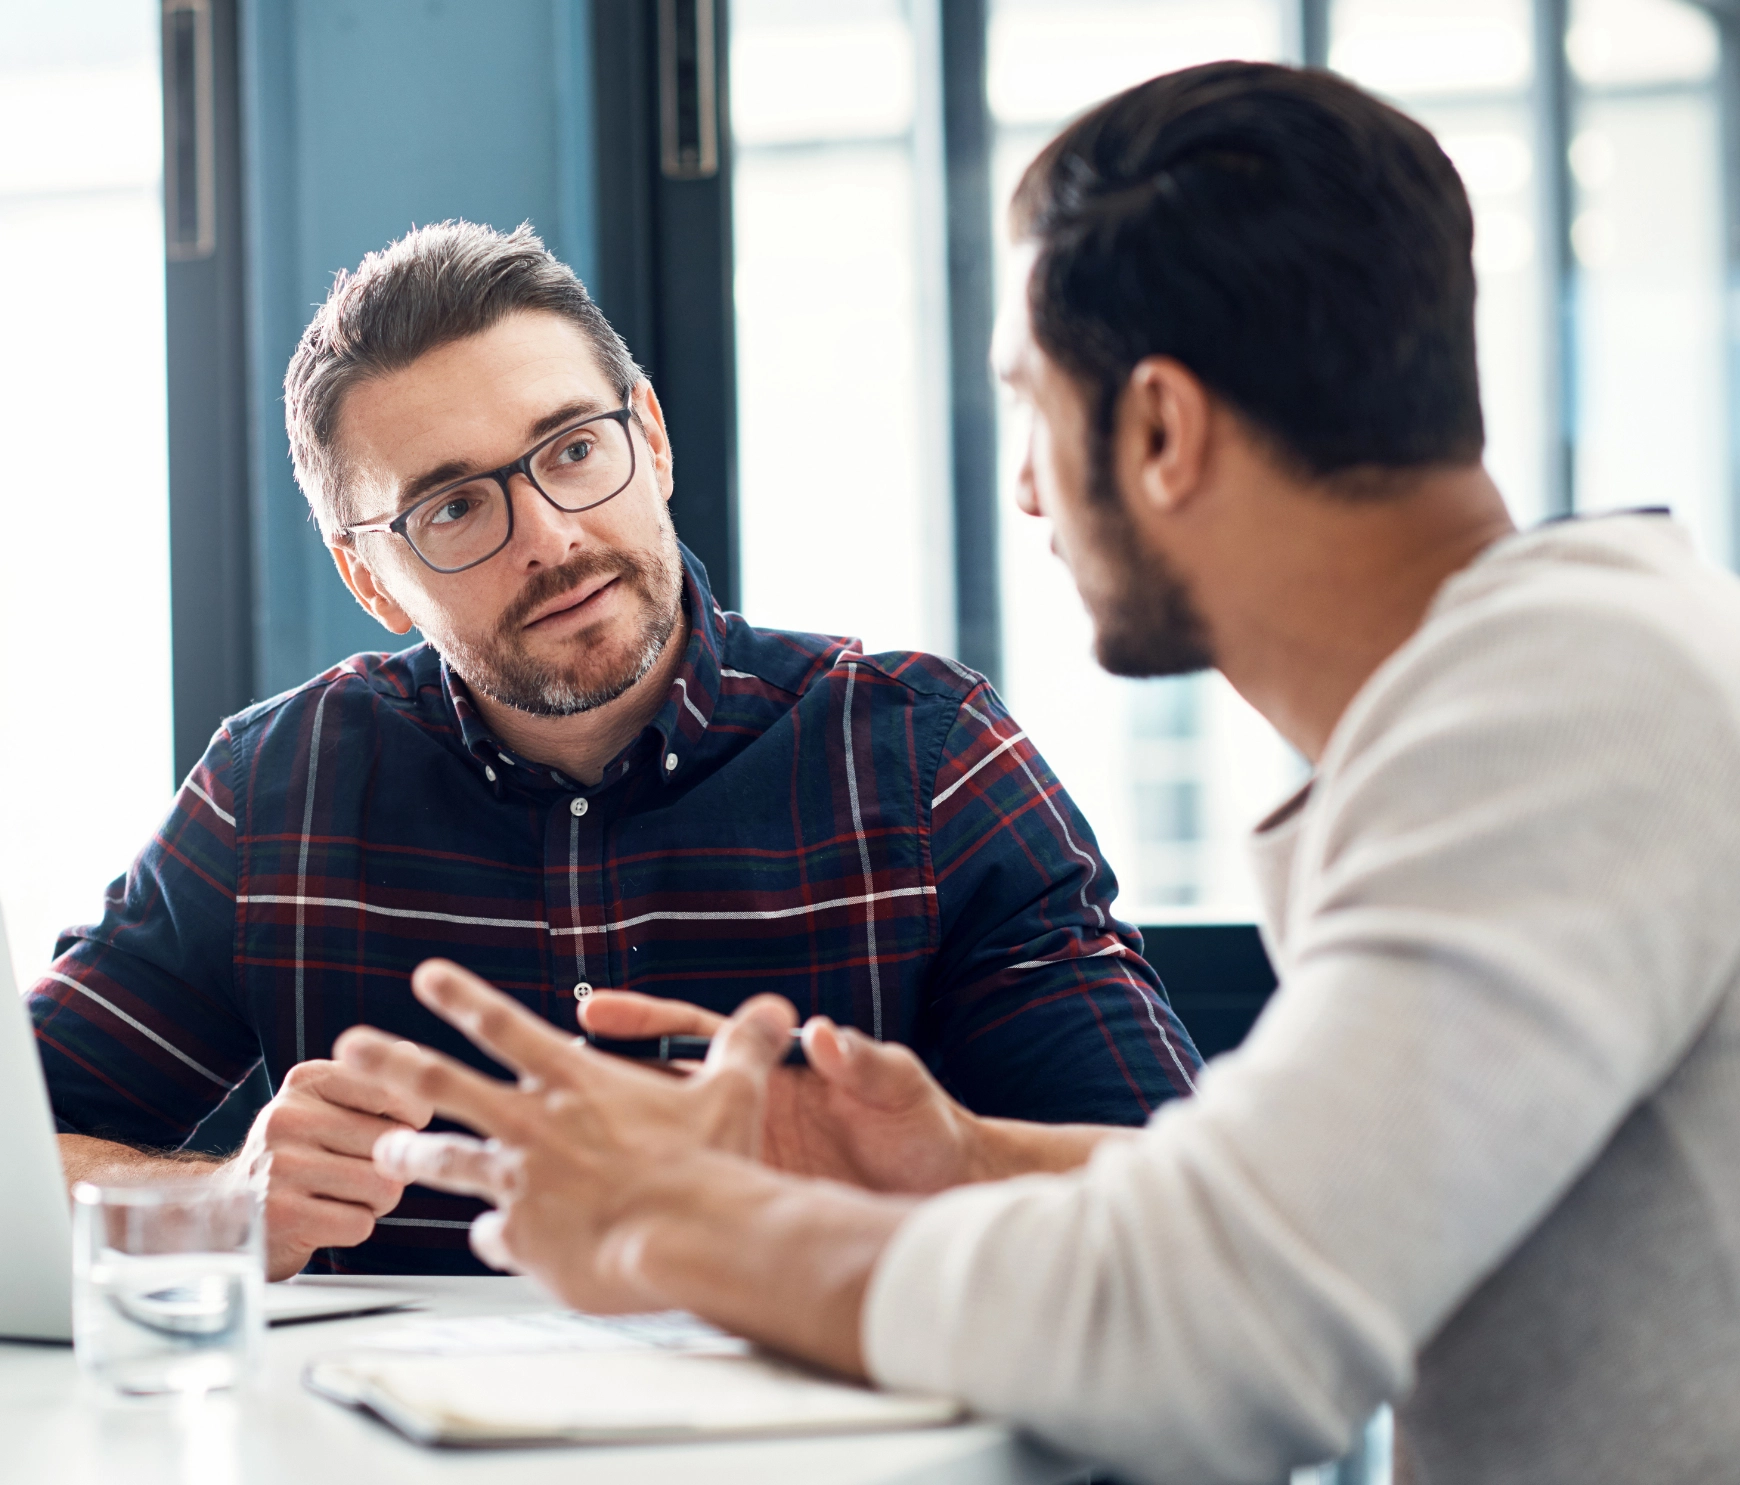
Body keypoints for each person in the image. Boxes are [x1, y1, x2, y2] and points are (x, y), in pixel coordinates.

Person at [327, 61, 1740, 1484]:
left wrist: (677, 1223)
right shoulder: (1566, 679)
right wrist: (959, 1157)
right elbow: (1306, 1209)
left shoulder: (1559, 714)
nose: (1022, 488)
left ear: (1161, 432)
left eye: (1031, 404)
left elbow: (1216, 1339)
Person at [26, 221, 1200, 1280]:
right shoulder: (271, 792)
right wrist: (216, 1205)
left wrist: (922, 1166)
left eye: (575, 448)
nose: (549, 533)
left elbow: (1175, 1207)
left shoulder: (926, 757)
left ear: (651, 437)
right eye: (453, 509)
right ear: (368, 577)